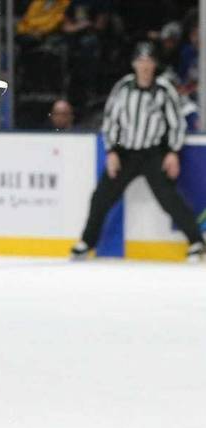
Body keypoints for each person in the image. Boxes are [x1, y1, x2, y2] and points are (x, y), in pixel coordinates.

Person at [70, 42, 203, 263]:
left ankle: (196, 242)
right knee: (101, 197)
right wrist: (112, 151)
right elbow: (111, 120)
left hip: (153, 154)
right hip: (125, 154)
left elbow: (176, 123)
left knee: (169, 199)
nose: (145, 66)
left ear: (155, 64)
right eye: (141, 61)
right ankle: (86, 241)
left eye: (149, 61)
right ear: (134, 64)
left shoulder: (163, 89)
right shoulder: (123, 88)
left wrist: (172, 152)